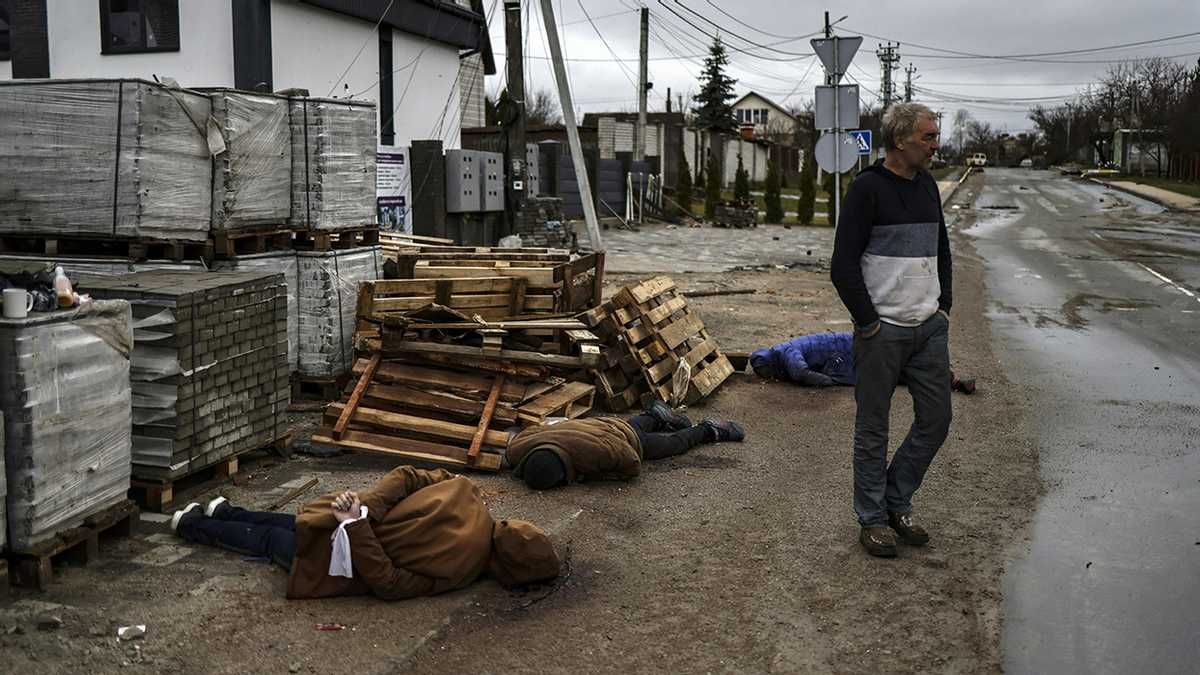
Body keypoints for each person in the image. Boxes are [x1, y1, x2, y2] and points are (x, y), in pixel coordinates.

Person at [830, 102, 953, 558]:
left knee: (937, 418)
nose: (935, 144)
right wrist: (868, 323)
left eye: (935, 135)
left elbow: (942, 249)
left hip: (928, 329)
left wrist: (944, 308)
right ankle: (873, 518)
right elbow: (842, 265)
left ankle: (897, 499)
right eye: (928, 136)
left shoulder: (928, 188)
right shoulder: (867, 189)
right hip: (883, 331)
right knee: (873, 427)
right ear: (901, 140)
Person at [170, 466, 560, 598]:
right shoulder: (463, 570)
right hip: (345, 555)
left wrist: (367, 506)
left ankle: (224, 510)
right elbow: (388, 584)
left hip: (347, 521)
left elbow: (408, 475)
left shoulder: (467, 492)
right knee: (274, 542)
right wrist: (359, 521)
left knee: (293, 523)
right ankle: (192, 525)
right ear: (508, 572)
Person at [505, 401, 745, 490]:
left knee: (673, 443)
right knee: (633, 424)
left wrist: (600, 477)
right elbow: (533, 428)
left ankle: (707, 430)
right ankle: (655, 415)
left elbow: (631, 463)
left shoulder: (594, 453)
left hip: (626, 438)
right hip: (601, 423)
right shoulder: (518, 448)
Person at [751, 331, 976, 394]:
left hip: (845, 352)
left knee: (897, 366)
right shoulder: (785, 349)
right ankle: (951, 380)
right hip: (846, 350)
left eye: (767, 372)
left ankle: (951, 379)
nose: (770, 377)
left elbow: (801, 372)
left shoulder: (785, 351)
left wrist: (826, 381)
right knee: (896, 368)